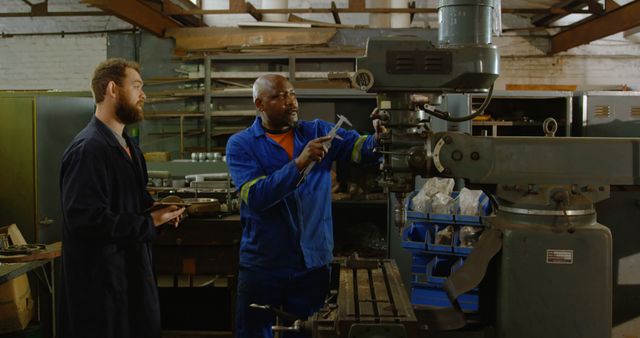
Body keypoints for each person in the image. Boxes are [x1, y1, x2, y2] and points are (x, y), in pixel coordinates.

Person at [226, 74, 384, 338]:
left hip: (312, 263)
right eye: (278, 96)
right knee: (255, 332)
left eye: (292, 94)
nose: (290, 102)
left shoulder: (318, 131)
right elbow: (256, 196)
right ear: (259, 104)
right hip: (265, 264)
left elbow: (360, 149)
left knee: (307, 331)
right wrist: (299, 163)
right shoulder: (241, 144)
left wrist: (379, 137)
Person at [58, 58, 185, 338]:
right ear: (113, 89)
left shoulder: (129, 147)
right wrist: (148, 222)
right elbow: (86, 221)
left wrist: (159, 215)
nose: (143, 95)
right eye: (136, 86)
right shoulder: (88, 150)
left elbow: (130, 208)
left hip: (131, 281)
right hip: (100, 292)